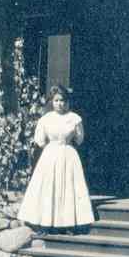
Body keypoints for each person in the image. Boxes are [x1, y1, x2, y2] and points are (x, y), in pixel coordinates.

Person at [18, 85, 94, 235]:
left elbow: (79, 139)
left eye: (63, 100)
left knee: (68, 188)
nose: (60, 104)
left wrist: (66, 144)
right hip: (50, 155)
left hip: (68, 155)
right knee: (48, 188)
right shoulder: (46, 119)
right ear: (52, 102)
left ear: (67, 102)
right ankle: (45, 224)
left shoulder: (74, 119)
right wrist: (51, 148)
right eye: (56, 100)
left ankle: (69, 224)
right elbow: (40, 140)